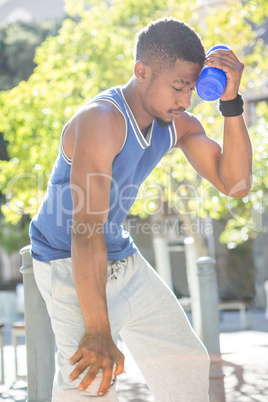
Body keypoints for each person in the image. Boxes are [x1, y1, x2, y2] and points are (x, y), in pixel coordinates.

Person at [29, 16, 252, 402]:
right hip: (66, 263)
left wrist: (231, 101)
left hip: (120, 255)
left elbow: (236, 184)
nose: (185, 100)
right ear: (142, 71)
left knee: (186, 362)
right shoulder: (102, 120)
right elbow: (85, 231)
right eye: (178, 87)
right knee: (92, 384)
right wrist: (98, 329)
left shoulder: (176, 123)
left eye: (191, 89)